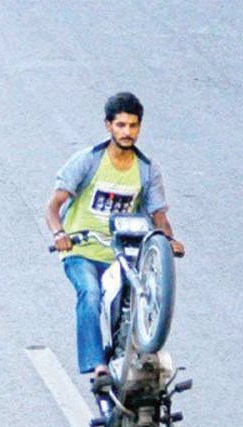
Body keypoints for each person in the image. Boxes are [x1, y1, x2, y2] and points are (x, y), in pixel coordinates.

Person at [45, 92, 185, 392]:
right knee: (91, 293)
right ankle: (98, 368)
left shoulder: (147, 169)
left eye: (133, 126)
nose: (127, 132)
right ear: (108, 126)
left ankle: (130, 356)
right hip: (81, 251)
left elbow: (158, 214)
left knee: (131, 301)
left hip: (120, 254)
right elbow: (53, 207)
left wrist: (170, 239)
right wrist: (60, 234)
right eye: (120, 125)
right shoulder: (88, 161)